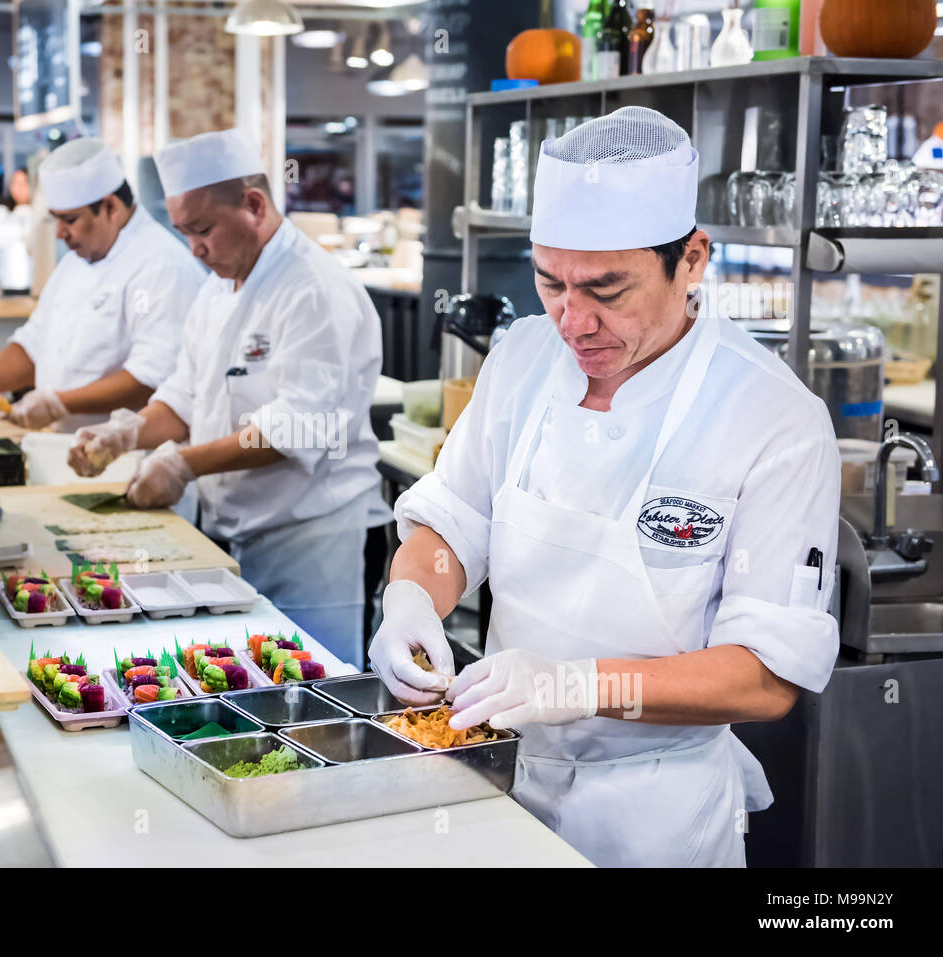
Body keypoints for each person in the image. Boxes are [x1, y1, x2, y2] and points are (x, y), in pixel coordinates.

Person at [369, 107, 841, 867]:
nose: (572, 319)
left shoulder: (773, 417)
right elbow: (452, 524)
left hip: (656, 817)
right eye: (549, 281)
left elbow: (764, 676)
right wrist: (412, 599)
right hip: (496, 783)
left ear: (693, 259)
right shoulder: (523, 359)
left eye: (607, 289)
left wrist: (581, 686)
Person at [67, 128, 384, 666]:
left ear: (254, 205)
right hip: (235, 535)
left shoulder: (312, 288)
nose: (194, 248)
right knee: (251, 690)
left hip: (311, 540)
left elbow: (297, 426)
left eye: (203, 229)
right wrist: (127, 433)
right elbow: (186, 396)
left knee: (312, 694)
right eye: (184, 232)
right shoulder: (218, 285)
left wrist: (185, 463)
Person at [0, 139, 205, 432]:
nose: (60, 233)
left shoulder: (162, 266)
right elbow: (34, 344)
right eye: (56, 220)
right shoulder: (76, 260)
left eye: (70, 220)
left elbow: (150, 378)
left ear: (111, 207)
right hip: (67, 447)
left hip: (128, 455)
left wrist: (61, 403)